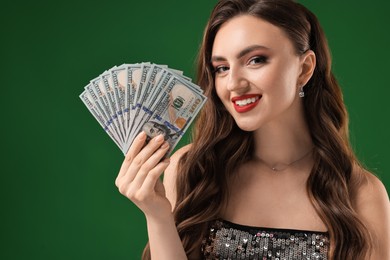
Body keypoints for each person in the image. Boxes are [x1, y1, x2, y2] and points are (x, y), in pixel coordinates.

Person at [115, 0, 390, 259]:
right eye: (221, 68)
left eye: (255, 60)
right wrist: (157, 215)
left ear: (304, 68)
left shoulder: (361, 193)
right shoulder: (191, 169)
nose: (233, 83)